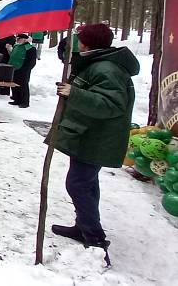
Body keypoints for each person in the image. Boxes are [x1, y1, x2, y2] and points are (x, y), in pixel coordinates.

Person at [50, 23, 139, 260]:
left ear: (88, 43)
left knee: (78, 184)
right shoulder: (97, 62)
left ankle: (94, 237)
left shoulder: (106, 69)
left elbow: (111, 105)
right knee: (87, 184)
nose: (78, 43)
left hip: (96, 138)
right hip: (87, 134)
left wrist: (74, 93)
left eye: (80, 39)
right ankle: (83, 226)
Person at [8, 33, 37, 108]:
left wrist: (26, 69)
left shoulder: (30, 48)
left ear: (24, 40)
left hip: (23, 70)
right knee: (14, 85)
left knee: (23, 86)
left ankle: (24, 102)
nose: (17, 40)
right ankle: (16, 99)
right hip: (14, 68)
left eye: (19, 39)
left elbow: (32, 62)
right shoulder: (16, 46)